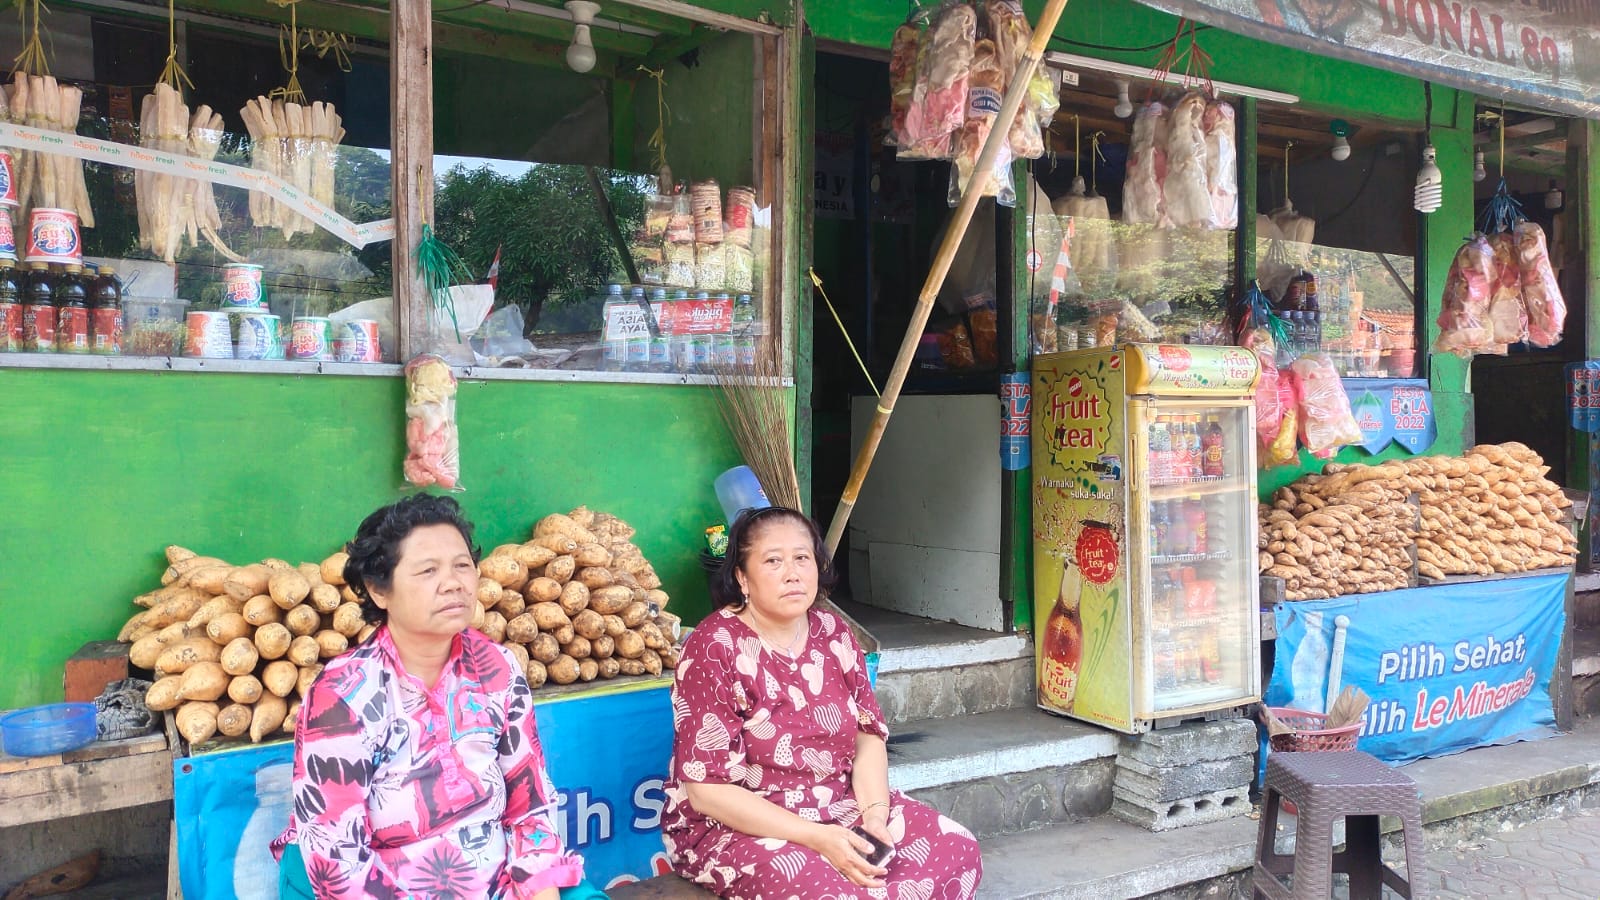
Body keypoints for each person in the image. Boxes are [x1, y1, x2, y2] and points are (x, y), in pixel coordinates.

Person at [271, 494, 591, 899]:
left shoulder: (497, 667)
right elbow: (338, 861)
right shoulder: (342, 695)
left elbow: (531, 802)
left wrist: (539, 888)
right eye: (427, 570)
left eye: (462, 565)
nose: (454, 582)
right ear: (379, 590)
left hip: (498, 879)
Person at [661, 506, 983, 898]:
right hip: (739, 826)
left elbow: (868, 736)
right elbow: (706, 791)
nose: (792, 573)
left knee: (957, 848)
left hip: (838, 803)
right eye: (773, 561)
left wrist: (875, 817)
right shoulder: (714, 647)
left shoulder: (834, 633)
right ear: (742, 578)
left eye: (802, 558)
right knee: (825, 891)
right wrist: (817, 838)